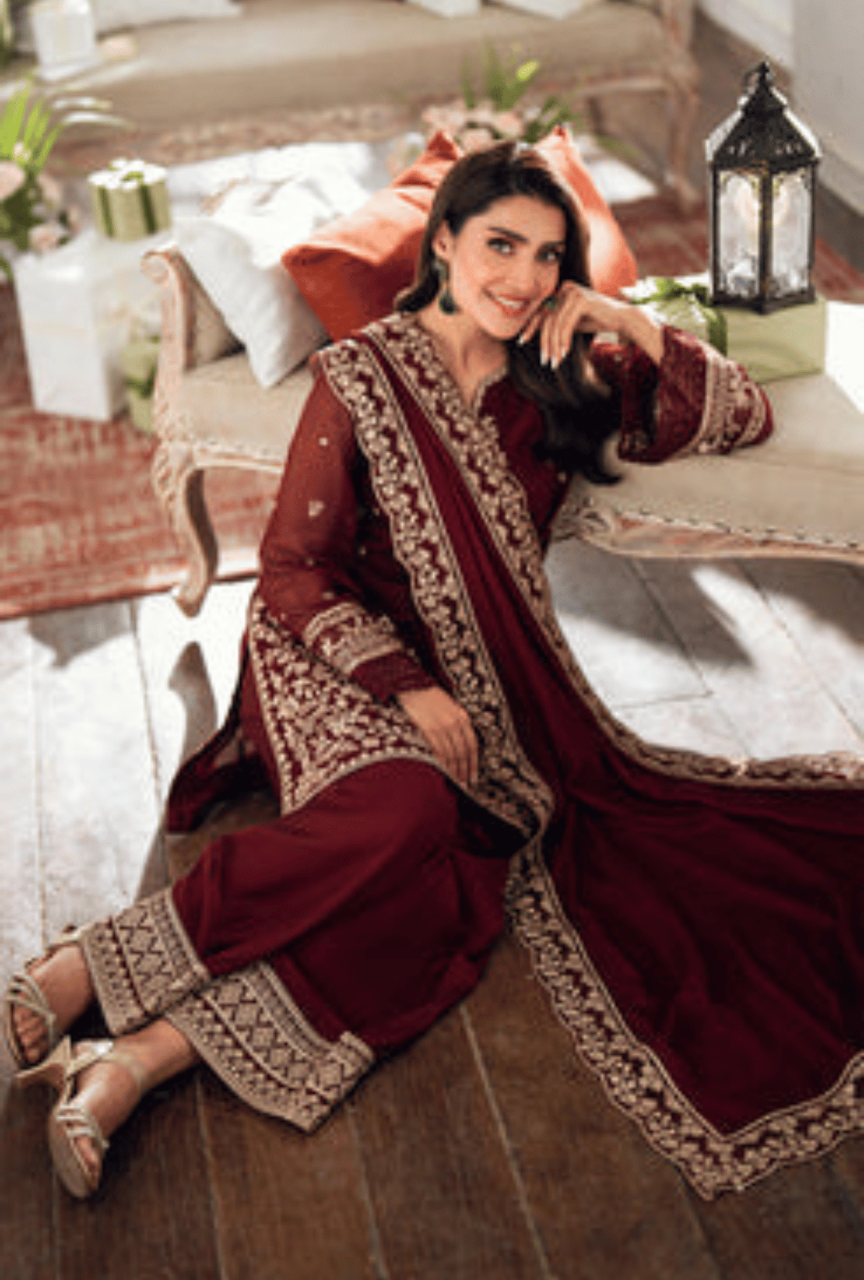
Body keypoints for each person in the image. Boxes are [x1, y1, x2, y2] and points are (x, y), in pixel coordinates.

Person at [5, 140, 864, 1203]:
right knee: (409, 814)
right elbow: (294, 570)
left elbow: (735, 409)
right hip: (331, 653)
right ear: (445, 242)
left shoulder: (561, 379)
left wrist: (619, 317)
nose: (525, 277)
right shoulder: (362, 375)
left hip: (496, 687)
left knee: (452, 878)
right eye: (502, 245)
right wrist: (405, 686)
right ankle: (90, 965)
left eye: (549, 257)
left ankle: (138, 1059)